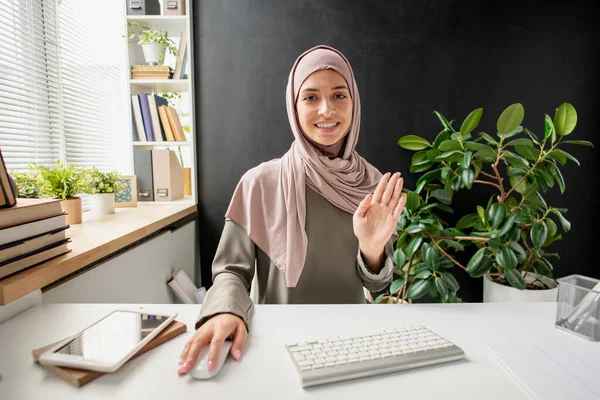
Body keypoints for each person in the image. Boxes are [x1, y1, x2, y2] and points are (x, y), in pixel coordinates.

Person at [178, 45, 407, 375]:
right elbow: (230, 271)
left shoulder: (371, 184)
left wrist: (372, 250)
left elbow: (376, 286)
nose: (326, 110)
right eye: (311, 97)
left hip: (353, 342)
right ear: (294, 106)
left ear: (354, 103)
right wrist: (225, 311)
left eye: (339, 95)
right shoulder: (260, 183)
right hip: (277, 343)